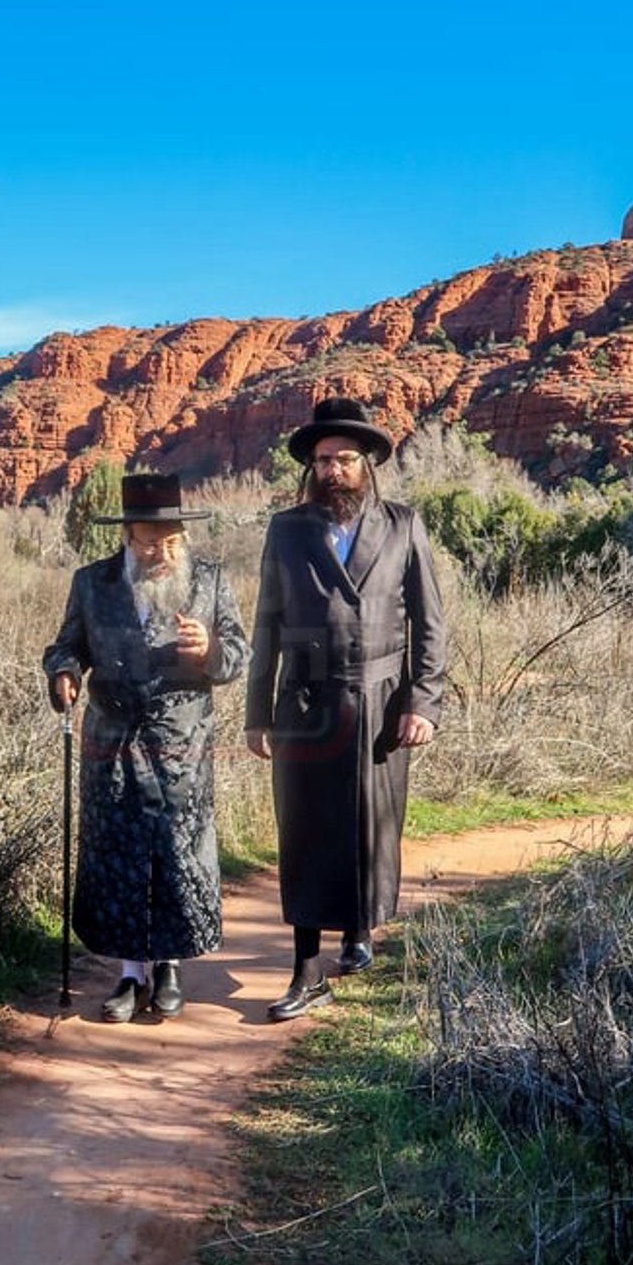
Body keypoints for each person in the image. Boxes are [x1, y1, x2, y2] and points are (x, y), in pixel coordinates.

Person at [246, 396, 447, 1021]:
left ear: (368, 465)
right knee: (304, 830)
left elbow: (431, 622)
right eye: (323, 460)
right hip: (305, 700)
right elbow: (267, 625)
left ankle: (359, 926)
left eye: (345, 459)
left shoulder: (404, 524)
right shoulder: (287, 528)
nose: (332, 469)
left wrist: (424, 701)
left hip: (384, 701)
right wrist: (257, 714)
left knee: (371, 822)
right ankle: (307, 970)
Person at [43, 471, 249, 1022]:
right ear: (127, 537)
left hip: (183, 739)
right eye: (148, 540)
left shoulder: (208, 579)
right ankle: (130, 974)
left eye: (170, 540)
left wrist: (207, 650)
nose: (160, 550)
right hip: (111, 740)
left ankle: (172, 965)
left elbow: (238, 652)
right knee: (120, 856)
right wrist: (64, 673)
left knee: (175, 851)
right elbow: (66, 646)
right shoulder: (94, 583)